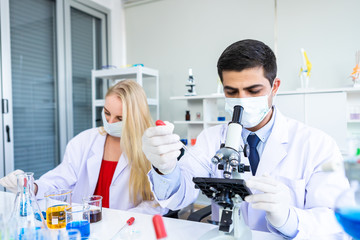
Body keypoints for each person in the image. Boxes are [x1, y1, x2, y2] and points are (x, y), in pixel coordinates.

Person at [142, 40, 349, 239]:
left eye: (253, 91)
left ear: (274, 87)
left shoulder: (316, 144)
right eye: (231, 92)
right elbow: (179, 198)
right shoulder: (211, 138)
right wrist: (165, 170)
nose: (242, 100)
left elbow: (333, 222)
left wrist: (289, 219)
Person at [0, 80, 167, 215]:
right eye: (107, 113)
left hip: (127, 230)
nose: (109, 122)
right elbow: (60, 182)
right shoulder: (84, 141)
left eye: (119, 118)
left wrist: (127, 218)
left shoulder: (150, 147)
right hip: (86, 226)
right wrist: (31, 187)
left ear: (135, 118)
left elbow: (160, 201)